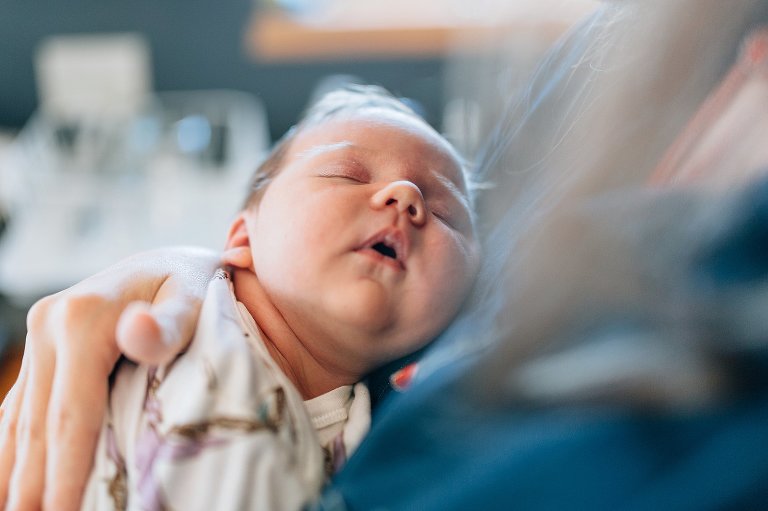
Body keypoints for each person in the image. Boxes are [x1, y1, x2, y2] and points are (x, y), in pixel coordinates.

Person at [0, 85, 480, 511]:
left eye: (445, 211)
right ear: (242, 238)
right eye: (347, 174)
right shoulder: (194, 320)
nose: (404, 196)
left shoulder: (383, 438)